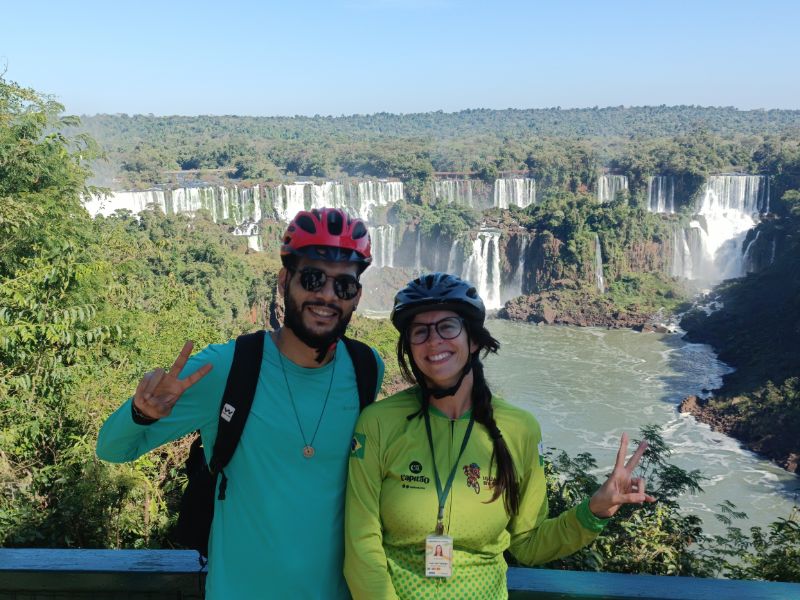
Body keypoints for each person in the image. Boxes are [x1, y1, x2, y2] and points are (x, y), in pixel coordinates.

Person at [97, 208, 384, 599]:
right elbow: (112, 449)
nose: (327, 296)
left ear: (357, 296)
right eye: (313, 278)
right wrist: (141, 414)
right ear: (285, 280)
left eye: (344, 286)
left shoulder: (367, 368)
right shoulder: (227, 368)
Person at [344, 273, 654, 599]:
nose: (434, 341)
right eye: (420, 332)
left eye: (447, 326)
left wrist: (594, 511)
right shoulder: (379, 423)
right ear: (409, 346)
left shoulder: (518, 429)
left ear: (473, 339)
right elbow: (361, 543)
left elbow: (529, 543)